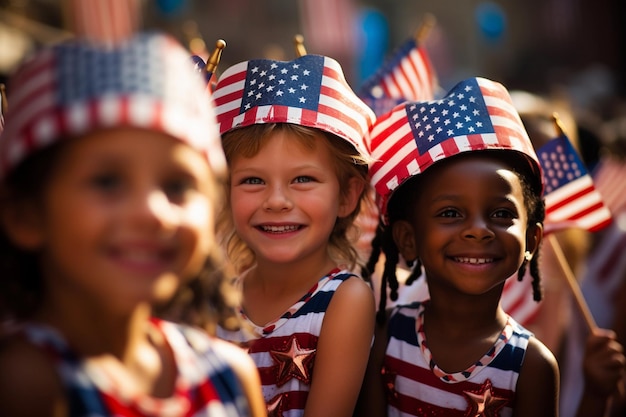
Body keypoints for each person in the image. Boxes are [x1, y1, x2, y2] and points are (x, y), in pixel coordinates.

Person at [0, 32, 266, 417]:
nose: (152, 211)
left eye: (177, 185)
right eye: (107, 182)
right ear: (26, 214)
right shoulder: (24, 384)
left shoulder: (229, 375)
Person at [355, 77, 560, 417]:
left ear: (531, 240)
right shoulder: (386, 334)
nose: (478, 231)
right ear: (408, 238)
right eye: (450, 213)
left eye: (501, 213)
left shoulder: (532, 366)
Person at [212, 53, 377, 416]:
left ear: (348, 195)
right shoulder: (222, 299)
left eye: (303, 179)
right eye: (252, 180)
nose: (276, 201)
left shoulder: (345, 300)